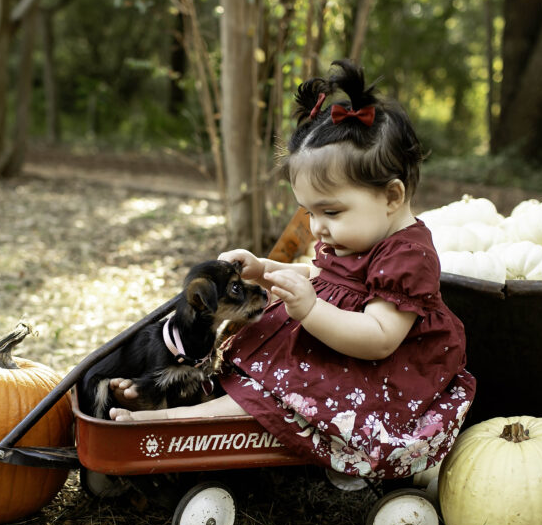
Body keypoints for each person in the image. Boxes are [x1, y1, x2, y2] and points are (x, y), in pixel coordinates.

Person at [111, 59, 475, 479]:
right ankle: (197, 408)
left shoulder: (408, 258)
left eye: (331, 211)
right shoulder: (356, 233)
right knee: (250, 372)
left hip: (373, 377)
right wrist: (265, 269)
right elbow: (326, 279)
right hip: (328, 349)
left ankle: (174, 424)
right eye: (309, 213)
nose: (317, 227)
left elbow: (379, 338)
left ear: (392, 197)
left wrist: (311, 311)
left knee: (278, 392)